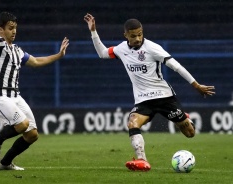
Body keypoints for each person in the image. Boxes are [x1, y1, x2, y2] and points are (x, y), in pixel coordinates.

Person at [84, 13, 215, 171]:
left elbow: (176, 66)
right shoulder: (121, 49)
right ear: (125, 35)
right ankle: (142, 160)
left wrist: (196, 85)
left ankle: (185, 118)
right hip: (143, 101)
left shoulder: (153, 48)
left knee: (190, 133)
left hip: (164, 97)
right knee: (132, 123)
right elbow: (102, 54)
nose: (138, 38)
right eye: (133, 36)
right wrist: (93, 32)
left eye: (140, 34)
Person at [0, 12, 69, 170]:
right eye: (10, 28)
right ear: (1, 30)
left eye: (15, 28)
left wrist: (59, 55)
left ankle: (5, 163)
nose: (14, 31)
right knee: (22, 124)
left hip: (15, 96)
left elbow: (35, 61)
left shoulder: (16, 50)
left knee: (32, 134)